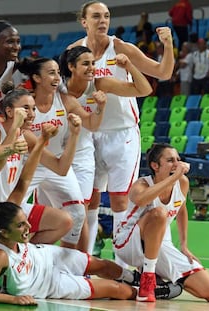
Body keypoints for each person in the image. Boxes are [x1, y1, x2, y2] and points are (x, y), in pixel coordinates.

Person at [68, 1, 175, 262]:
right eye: (96, 16)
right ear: (84, 21)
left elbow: (164, 72)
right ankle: (85, 260)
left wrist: (168, 45)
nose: (103, 20)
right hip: (90, 134)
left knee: (120, 202)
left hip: (122, 133)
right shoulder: (73, 51)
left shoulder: (121, 48)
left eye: (106, 16)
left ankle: (121, 263)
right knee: (89, 201)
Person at [0, 85, 79, 283]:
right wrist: (14, 129)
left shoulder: (28, 136)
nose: (32, 114)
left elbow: (61, 168)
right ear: (9, 111)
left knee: (64, 221)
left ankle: (23, 256)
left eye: (33, 109)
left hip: (11, 207)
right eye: (26, 108)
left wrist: (74, 134)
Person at [59, 46, 152, 253]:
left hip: (92, 144)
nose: (92, 68)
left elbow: (144, 90)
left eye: (93, 63)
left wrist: (129, 66)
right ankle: (78, 257)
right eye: (86, 64)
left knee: (110, 201)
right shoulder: (59, 89)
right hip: (66, 149)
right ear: (71, 67)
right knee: (86, 203)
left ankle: (117, 261)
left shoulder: (99, 84)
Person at [0, 200, 138, 305]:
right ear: (4, 232)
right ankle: (153, 292)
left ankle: (139, 279)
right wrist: (13, 299)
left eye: (26, 221)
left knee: (103, 265)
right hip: (51, 284)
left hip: (48, 255)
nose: (28, 227)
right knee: (117, 290)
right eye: (20, 225)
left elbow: (23, 183)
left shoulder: (5, 225)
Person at [17, 56, 108, 251]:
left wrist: (100, 108)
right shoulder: (24, 101)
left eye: (58, 72)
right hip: (27, 164)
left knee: (77, 212)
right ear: (37, 78)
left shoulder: (65, 100)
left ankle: (57, 259)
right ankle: (15, 256)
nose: (58, 77)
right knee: (13, 211)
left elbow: (91, 124)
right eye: (51, 73)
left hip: (56, 164)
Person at [114, 143, 209, 302]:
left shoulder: (182, 183)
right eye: (171, 160)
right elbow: (142, 199)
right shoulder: (141, 185)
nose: (177, 164)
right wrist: (173, 177)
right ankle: (148, 279)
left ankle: (142, 282)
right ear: (155, 166)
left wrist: (184, 245)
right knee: (159, 214)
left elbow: (182, 209)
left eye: (178, 159)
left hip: (161, 245)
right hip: (128, 242)